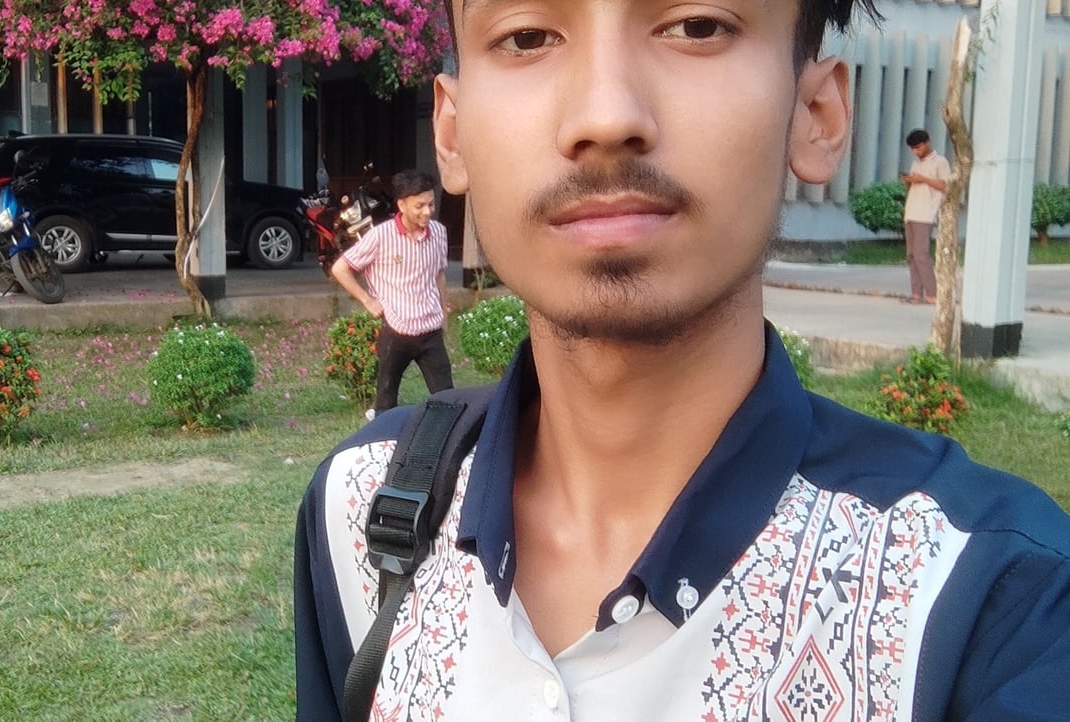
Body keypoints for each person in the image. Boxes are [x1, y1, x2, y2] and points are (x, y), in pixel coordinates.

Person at [296, 1, 1070, 720]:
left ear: (815, 114)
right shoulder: (361, 509)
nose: (605, 117)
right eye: (527, 36)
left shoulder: (990, 602)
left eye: (697, 25)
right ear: (453, 132)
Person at [329, 169, 453, 416]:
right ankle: (383, 434)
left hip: (430, 330)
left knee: (448, 400)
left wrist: (443, 311)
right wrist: (367, 300)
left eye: (431, 204)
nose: (427, 212)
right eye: (419, 206)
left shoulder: (439, 232)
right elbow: (340, 268)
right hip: (396, 330)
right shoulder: (380, 236)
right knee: (385, 401)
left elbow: (439, 273)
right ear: (402, 205)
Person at [900, 129, 949, 304]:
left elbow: (945, 185)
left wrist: (923, 179)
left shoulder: (940, 162)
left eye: (919, 147)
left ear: (927, 143)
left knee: (921, 254)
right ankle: (916, 293)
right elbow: (913, 188)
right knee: (911, 255)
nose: (916, 151)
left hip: (926, 213)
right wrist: (909, 181)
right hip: (911, 212)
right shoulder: (915, 163)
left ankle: (932, 293)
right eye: (913, 149)